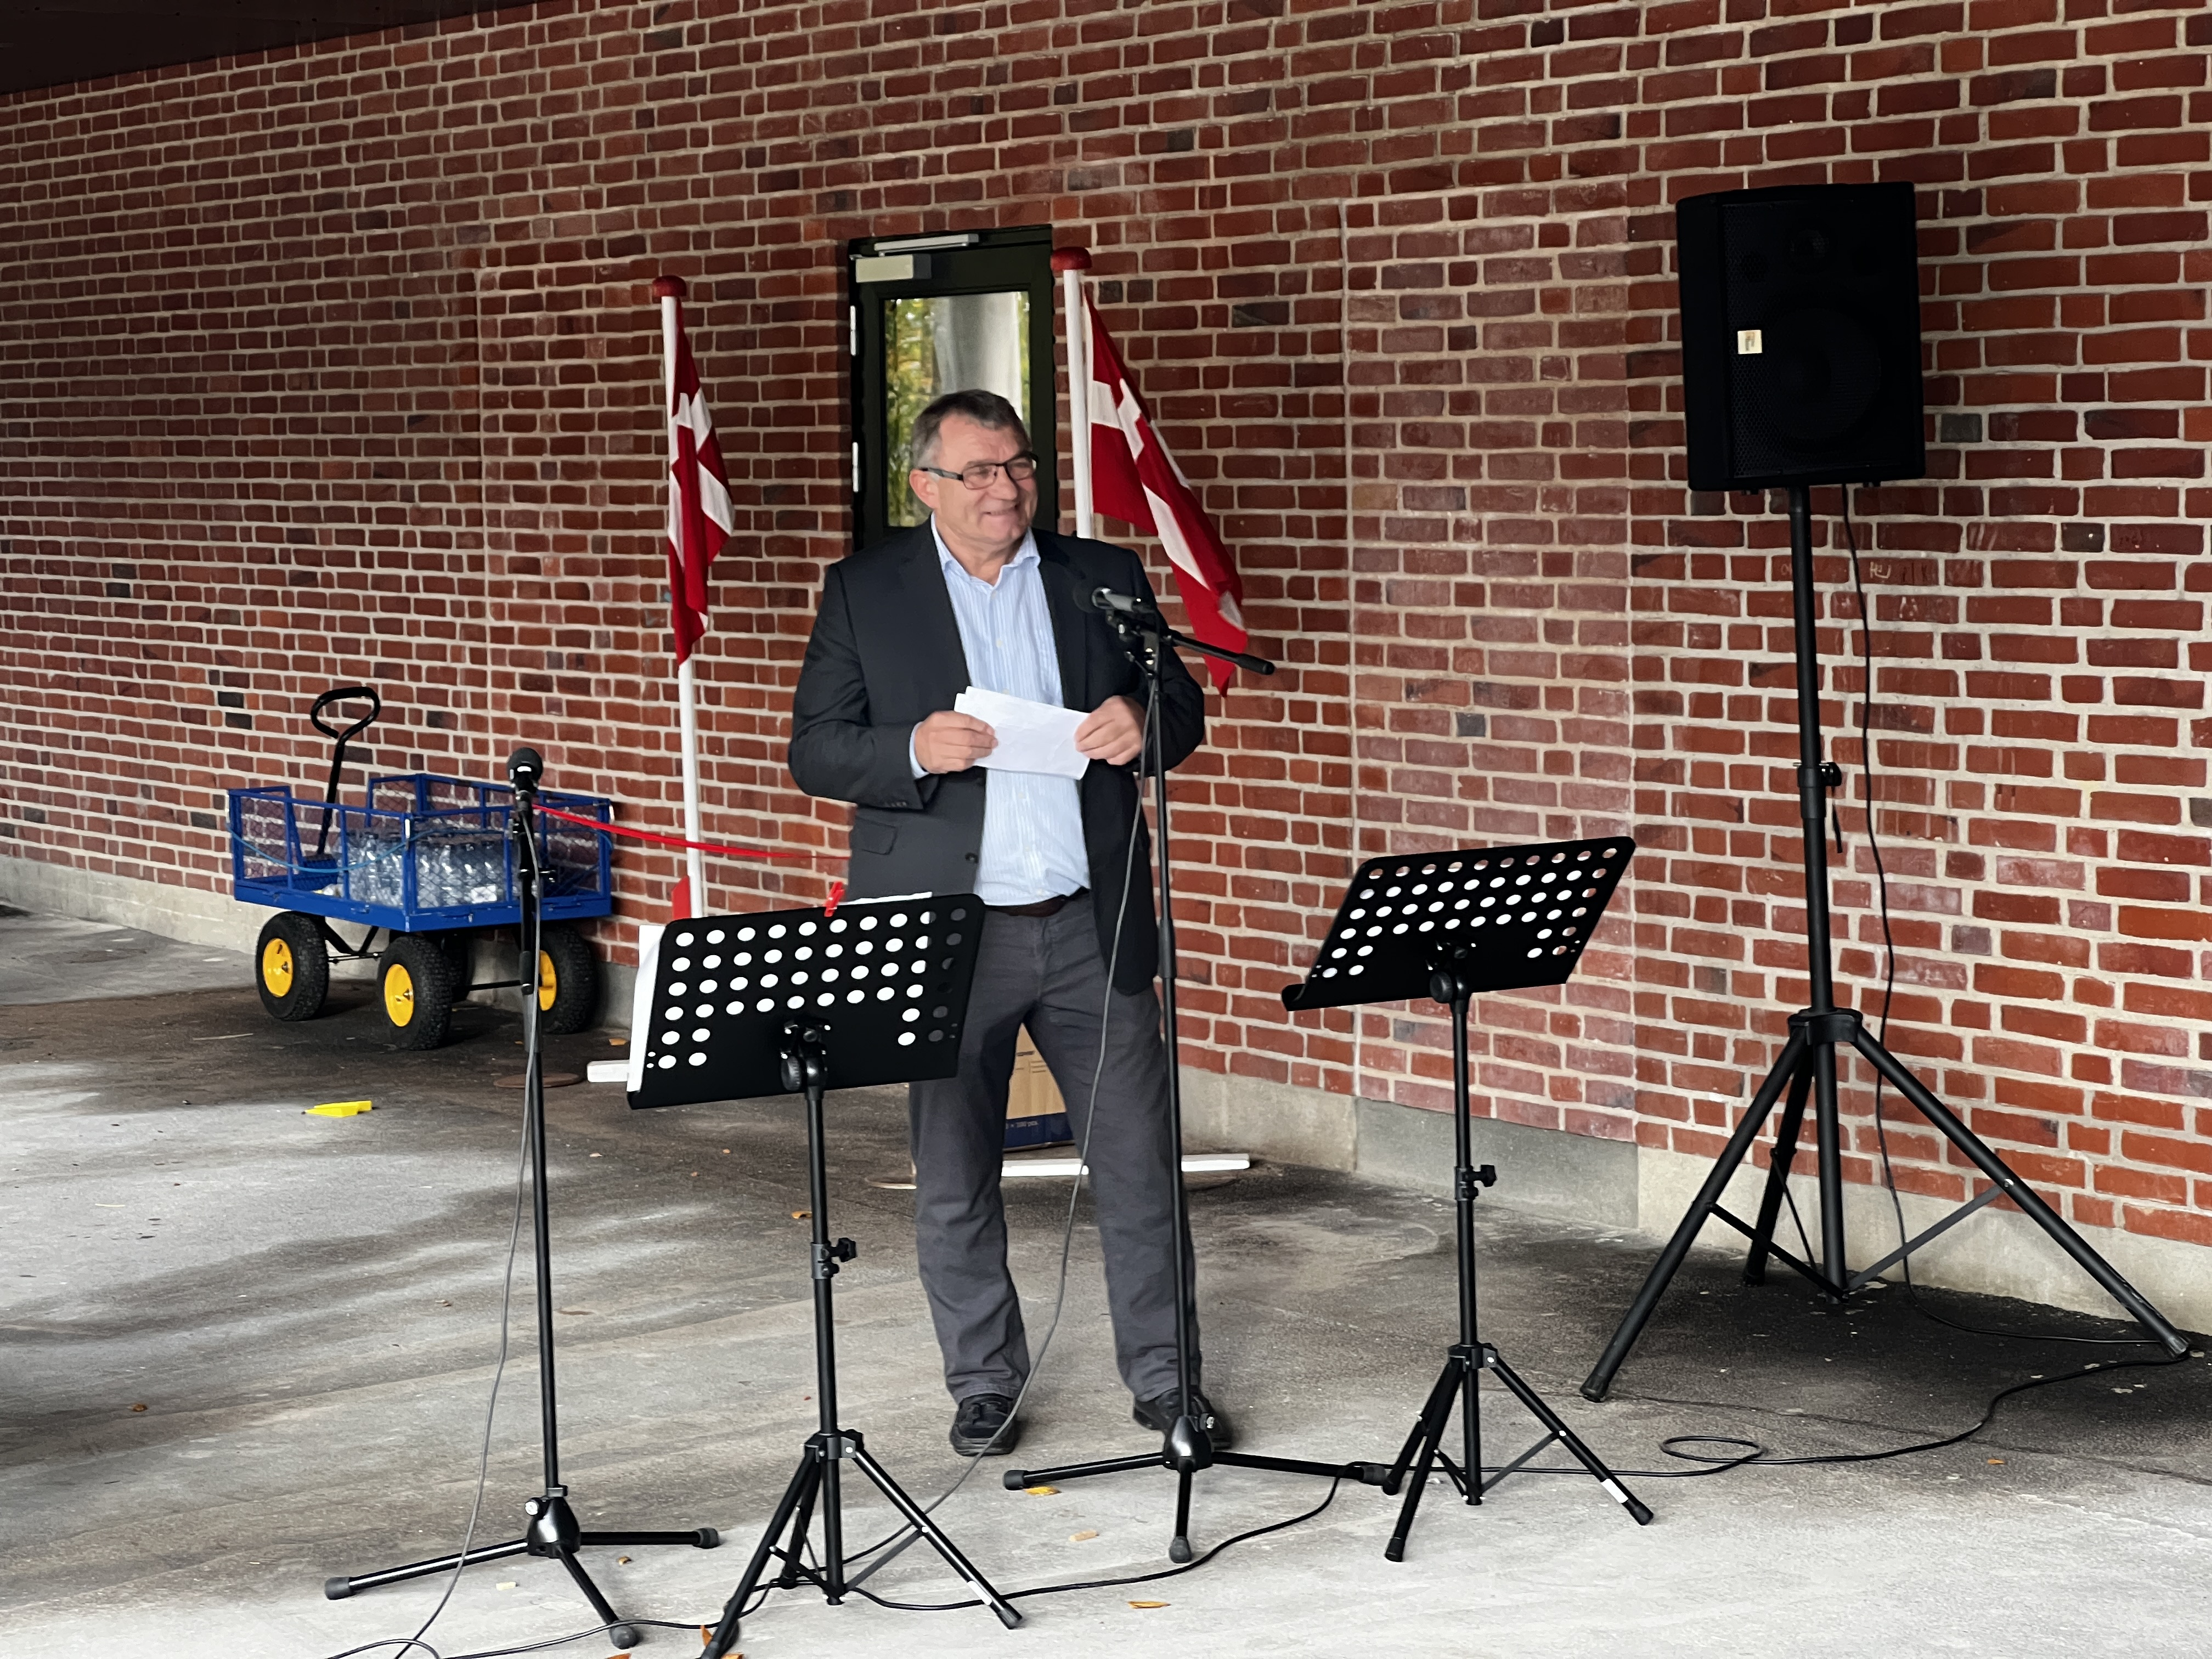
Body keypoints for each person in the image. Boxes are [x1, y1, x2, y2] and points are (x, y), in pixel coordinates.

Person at [787, 387, 1229, 1458]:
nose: (1006, 488)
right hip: (949, 937)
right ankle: (985, 1384)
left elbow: (1180, 709)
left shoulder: (1100, 576)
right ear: (925, 485)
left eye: (1020, 466)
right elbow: (815, 747)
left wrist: (1144, 720)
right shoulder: (866, 591)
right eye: (979, 471)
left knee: (1139, 1167)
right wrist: (909, 748)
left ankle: (1168, 1384)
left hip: (1089, 924)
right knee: (954, 1179)